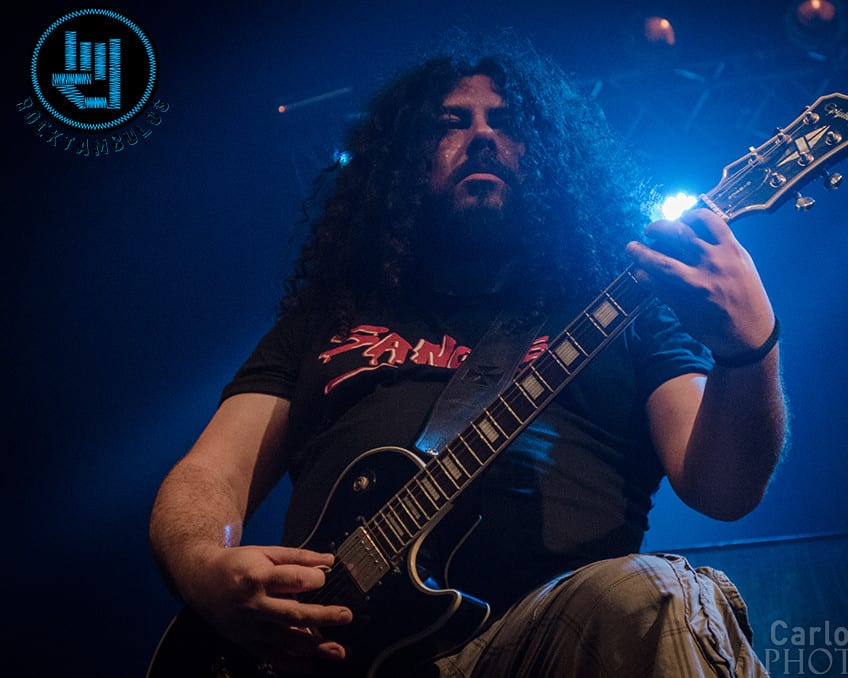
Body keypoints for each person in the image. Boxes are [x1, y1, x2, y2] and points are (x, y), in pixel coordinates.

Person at [149, 33, 787, 678]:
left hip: (547, 644)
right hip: (320, 657)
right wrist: (205, 569)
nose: (482, 136)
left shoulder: (626, 314)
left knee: (656, 595)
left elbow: (723, 489)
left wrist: (749, 347)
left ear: (548, 158)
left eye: (506, 123)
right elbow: (210, 475)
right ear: (402, 160)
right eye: (450, 123)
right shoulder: (327, 321)